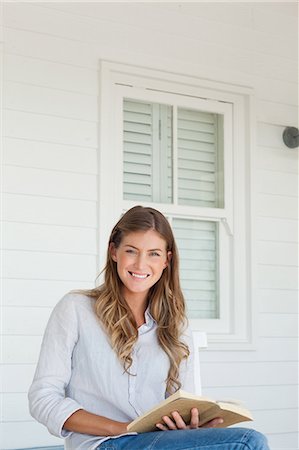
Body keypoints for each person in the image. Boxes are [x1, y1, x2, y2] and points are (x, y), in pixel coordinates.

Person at [29, 205, 270, 450]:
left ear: (167, 260)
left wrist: (188, 427)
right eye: (131, 251)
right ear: (114, 252)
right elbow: (43, 398)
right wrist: (122, 428)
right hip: (103, 444)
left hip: (161, 442)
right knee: (247, 443)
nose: (141, 264)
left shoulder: (176, 324)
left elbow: (182, 401)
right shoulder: (76, 309)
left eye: (154, 253)